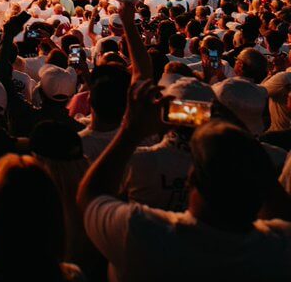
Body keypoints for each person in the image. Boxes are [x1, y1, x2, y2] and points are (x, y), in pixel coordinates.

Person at [78, 80, 291, 282]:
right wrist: (236, 133)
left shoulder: (140, 233)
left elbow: (91, 197)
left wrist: (130, 131)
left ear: (191, 178)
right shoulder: (277, 249)